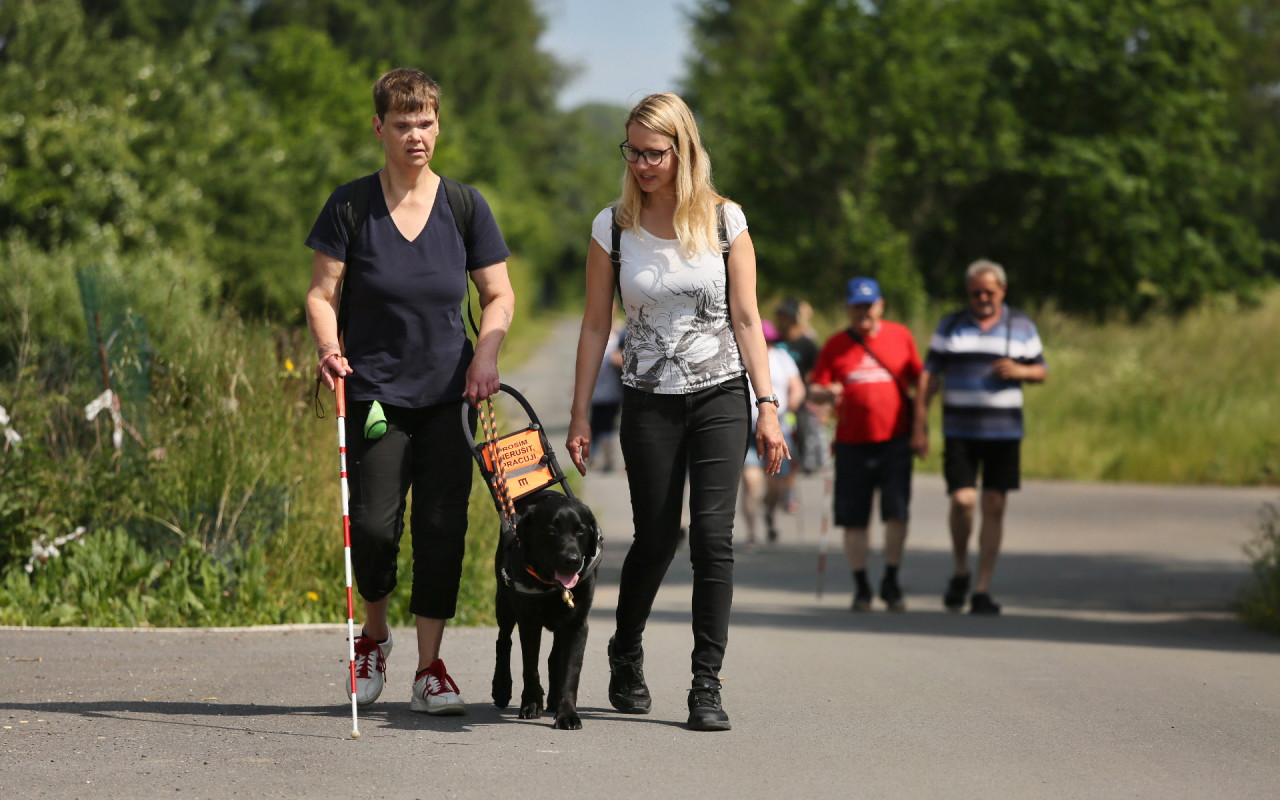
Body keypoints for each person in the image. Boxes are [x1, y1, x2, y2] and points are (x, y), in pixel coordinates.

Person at [565, 92, 788, 732]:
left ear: (683, 151)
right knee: (658, 537)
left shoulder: (725, 222)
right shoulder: (612, 226)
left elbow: (747, 320)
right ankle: (625, 649)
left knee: (714, 540)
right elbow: (593, 326)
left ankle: (705, 684)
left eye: (653, 153)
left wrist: (767, 406)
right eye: (632, 152)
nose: (641, 164)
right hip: (646, 400)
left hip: (721, 394)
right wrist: (581, 414)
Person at [304, 68, 515, 714]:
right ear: (379, 128)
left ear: (438, 125)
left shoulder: (464, 206)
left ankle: (430, 668)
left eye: (425, 122)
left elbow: (499, 294)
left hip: (451, 397)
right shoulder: (349, 206)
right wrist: (328, 347)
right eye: (402, 124)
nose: (416, 135)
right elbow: (321, 293)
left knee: (443, 529)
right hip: (373, 396)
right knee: (372, 526)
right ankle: (373, 637)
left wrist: (486, 355)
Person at [918, 259, 1047, 616]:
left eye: (989, 291)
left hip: (1003, 432)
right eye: (975, 292)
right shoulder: (952, 324)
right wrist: (920, 424)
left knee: (994, 505)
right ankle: (961, 568)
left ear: (1002, 291)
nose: (982, 298)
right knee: (962, 501)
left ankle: (982, 587)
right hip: (960, 430)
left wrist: (1020, 370)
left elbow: (1041, 369)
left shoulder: (1020, 324)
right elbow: (930, 376)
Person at [808, 277, 927, 612]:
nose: (864, 312)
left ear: (880, 306)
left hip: (895, 441)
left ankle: (891, 579)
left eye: (869, 305)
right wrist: (826, 393)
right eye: (857, 306)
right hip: (851, 443)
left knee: (896, 513)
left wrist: (921, 429)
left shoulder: (900, 336)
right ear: (848, 307)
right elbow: (814, 389)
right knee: (854, 519)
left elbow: (921, 383)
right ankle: (861, 584)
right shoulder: (835, 345)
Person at [739, 319, 805, 546]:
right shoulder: (739, 356)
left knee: (776, 484)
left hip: (777, 428)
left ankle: (769, 513)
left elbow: (797, 387)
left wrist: (788, 408)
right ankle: (751, 533)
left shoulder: (782, 358)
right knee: (750, 482)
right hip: (746, 429)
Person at [588, 325, 626, 472]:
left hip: (611, 393)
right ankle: (595, 456)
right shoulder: (611, 338)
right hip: (598, 393)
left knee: (606, 426)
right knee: (597, 425)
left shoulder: (617, 338)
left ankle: (605, 457)